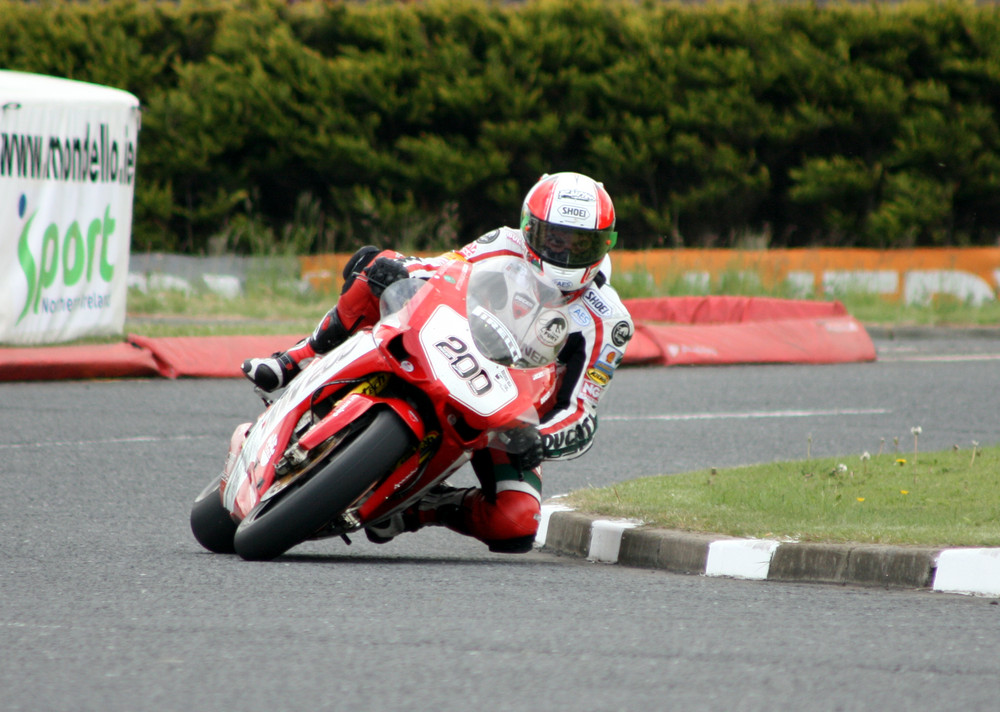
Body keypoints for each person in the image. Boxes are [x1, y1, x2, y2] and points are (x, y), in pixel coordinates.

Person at [241, 172, 634, 553]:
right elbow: (446, 267)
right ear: (531, 229)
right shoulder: (505, 243)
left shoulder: (609, 321)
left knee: (516, 523)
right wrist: (400, 269)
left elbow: (581, 410)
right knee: (377, 264)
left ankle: (415, 508)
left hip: (506, 418)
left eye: (581, 245)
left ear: (605, 246)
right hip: (451, 345)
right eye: (556, 238)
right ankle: (294, 360)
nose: (564, 253)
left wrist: (541, 438)